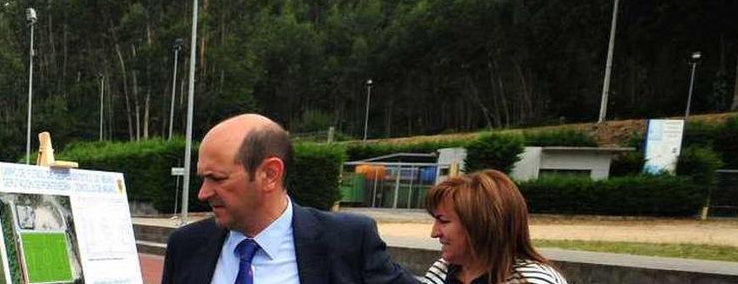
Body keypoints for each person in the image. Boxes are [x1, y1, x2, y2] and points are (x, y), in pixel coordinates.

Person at [161, 113, 419, 284]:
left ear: (270, 174)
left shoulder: (348, 242)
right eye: (202, 178)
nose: (203, 193)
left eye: (217, 178)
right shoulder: (186, 246)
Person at [419, 170, 568, 284]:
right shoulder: (440, 270)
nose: (434, 233)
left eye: (443, 221)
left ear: (481, 225)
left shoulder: (533, 280)